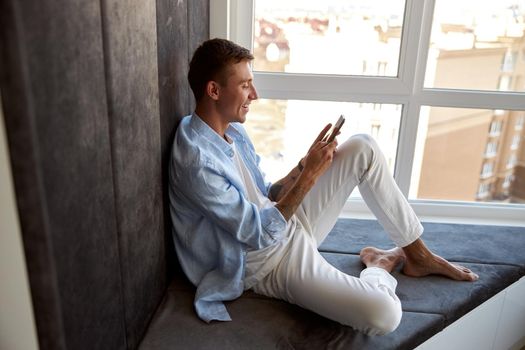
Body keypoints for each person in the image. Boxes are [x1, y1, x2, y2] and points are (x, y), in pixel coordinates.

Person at [168, 38, 478, 336]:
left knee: (362, 147)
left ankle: (418, 254)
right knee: (385, 314)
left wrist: (304, 164)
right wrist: (310, 177)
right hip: (266, 263)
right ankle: (379, 267)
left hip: (283, 225)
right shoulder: (197, 161)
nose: (255, 95)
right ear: (214, 90)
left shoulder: (231, 130)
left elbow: (268, 194)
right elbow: (256, 233)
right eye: (245, 85)